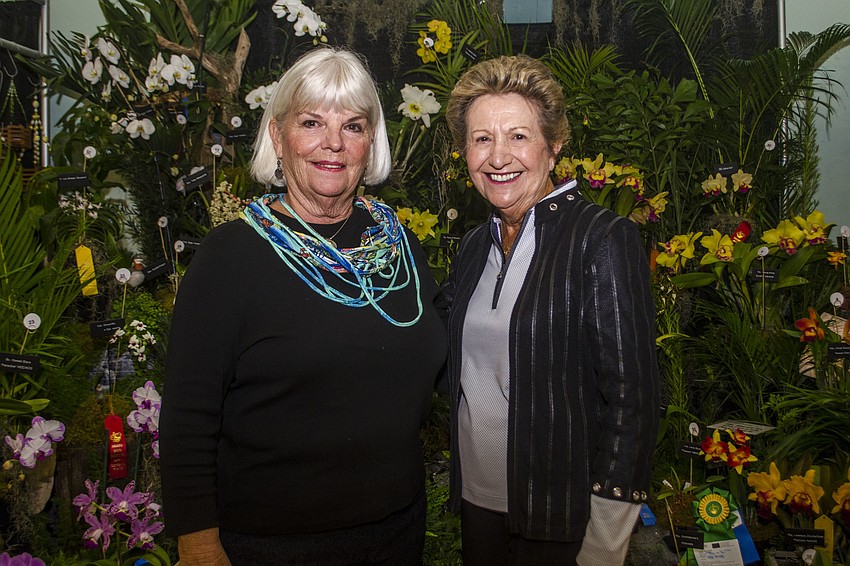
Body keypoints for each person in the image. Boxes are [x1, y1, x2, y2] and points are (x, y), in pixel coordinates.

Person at [159, 47, 448, 566]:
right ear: (277, 135)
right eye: (311, 122)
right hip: (268, 545)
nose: (333, 143)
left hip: (396, 531)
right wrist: (198, 543)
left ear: (371, 141)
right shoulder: (230, 257)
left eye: (353, 126)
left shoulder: (399, 245)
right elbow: (187, 417)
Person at [443, 54, 660, 566]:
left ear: (554, 145)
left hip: (561, 521)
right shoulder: (475, 246)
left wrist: (605, 543)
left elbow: (633, 399)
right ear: (464, 151)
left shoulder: (602, 239)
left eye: (518, 136)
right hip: (478, 508)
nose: (498, 157)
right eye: (481, 139)